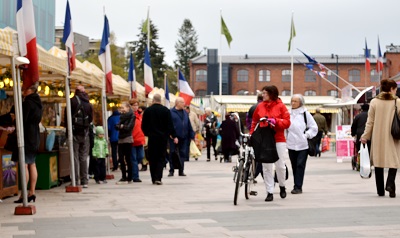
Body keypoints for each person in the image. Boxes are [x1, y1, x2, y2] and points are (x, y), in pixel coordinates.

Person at [250, 85, 290, 202]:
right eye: (262, 93)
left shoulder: (281, 106)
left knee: (280, 166)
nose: (263, 95)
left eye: (265, 93)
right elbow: (254, 121)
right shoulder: (260, 106)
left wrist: (276, 121)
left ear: (272, 94)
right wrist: (252, 134)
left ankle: (282, 185)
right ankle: (270, 191)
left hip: (278, 139)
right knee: (266, 167)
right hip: (264, 139)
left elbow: (287, 123)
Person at [361, 79, 400, 198]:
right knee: (394, 161)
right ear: (392, 89)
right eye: (395, 89)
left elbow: (370, 121)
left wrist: (365, 136)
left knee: (378, 163)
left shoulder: (374, 102)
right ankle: (390, 184)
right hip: (393, 136)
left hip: (378, 136)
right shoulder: (397, 101)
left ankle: (380, 191)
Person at [13, 84, 43, 203]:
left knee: (25, 164)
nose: (23, 89)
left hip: (26, 136)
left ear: (30, 90)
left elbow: (22, 120)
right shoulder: (38, 103)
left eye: (25, 88)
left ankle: (24, 194)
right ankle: (32, 192)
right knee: (32, 164)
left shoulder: (27, 103)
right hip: (35, 136)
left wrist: (15, 120)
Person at [286, 94, 318, 194]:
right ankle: (296, 183)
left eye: (295, 101)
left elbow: (314, 127)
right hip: (291, 144)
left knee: (300, 165)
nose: (293, 103)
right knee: (294, 165)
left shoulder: (305, 114)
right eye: (292, 101)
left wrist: (306, 135)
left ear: (300, 103)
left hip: (303, 145)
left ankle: (298, 186)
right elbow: (285, 127)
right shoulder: (287, 113)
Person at [142, 94, 176, 185]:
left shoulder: (148, 111)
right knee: (161, 157)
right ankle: (158, 177)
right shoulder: (166, 111)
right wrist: (170, 134)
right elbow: (170, 125)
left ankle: (153, 178)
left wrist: (147, 134)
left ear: (153, 100)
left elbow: (143, 125)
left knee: (152, 158)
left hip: (152, 138)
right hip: (162, 138)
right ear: (160, 101)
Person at [65, 85, 93, 188]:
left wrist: (68, 132)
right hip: (85, 133)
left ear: (75, 91)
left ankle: (75, 180)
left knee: (74, 157)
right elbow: (90, 119)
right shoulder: (89, 103)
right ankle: (84, 181)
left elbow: (66, 118)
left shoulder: (71, 101)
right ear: (84, 92)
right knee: (83, 157)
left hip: (74, 132)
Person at [168, 97, 194, 176]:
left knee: (182, 154)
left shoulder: (185, 113)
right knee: (172, 153)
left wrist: (191, 134)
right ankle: (171, 170)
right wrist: (172, 135)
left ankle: (181, 170)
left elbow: (188, 124)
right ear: (177, 103)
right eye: (182, 102)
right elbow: (169, 125)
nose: (184, 104)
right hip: (174, 137)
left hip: (184, 137)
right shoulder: (171, 112)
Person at [115, 102, 135, 184]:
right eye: (121, 108)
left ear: (128, 108)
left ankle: (129, 176)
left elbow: (129, 127)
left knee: (128, 158)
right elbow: (117, 126)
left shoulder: (132, 116)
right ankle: (123, 176)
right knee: (121, 158)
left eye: (123, 108)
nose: (121, 109)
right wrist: (121, 126)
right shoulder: (121, 116)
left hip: (127, 138)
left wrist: (122, 126)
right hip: (120, 138)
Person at [246, 94, 264, 180]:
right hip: (263, 134)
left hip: (254, 133)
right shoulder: (263, 107)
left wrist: (251, 130)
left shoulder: (252, 107)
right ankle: (257, 172)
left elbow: (248, 120)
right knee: (263, 154)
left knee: (255, 154)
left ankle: (254, 173)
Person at [130, 98, 145, 182]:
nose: (136, 107)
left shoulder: (140, 115)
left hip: (140, 139)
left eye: (136, 105)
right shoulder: (130, 115)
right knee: (134, 159)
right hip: (132, 139)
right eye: (134, 105)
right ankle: (135, 176)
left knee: (141, 156)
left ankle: (133, 171)